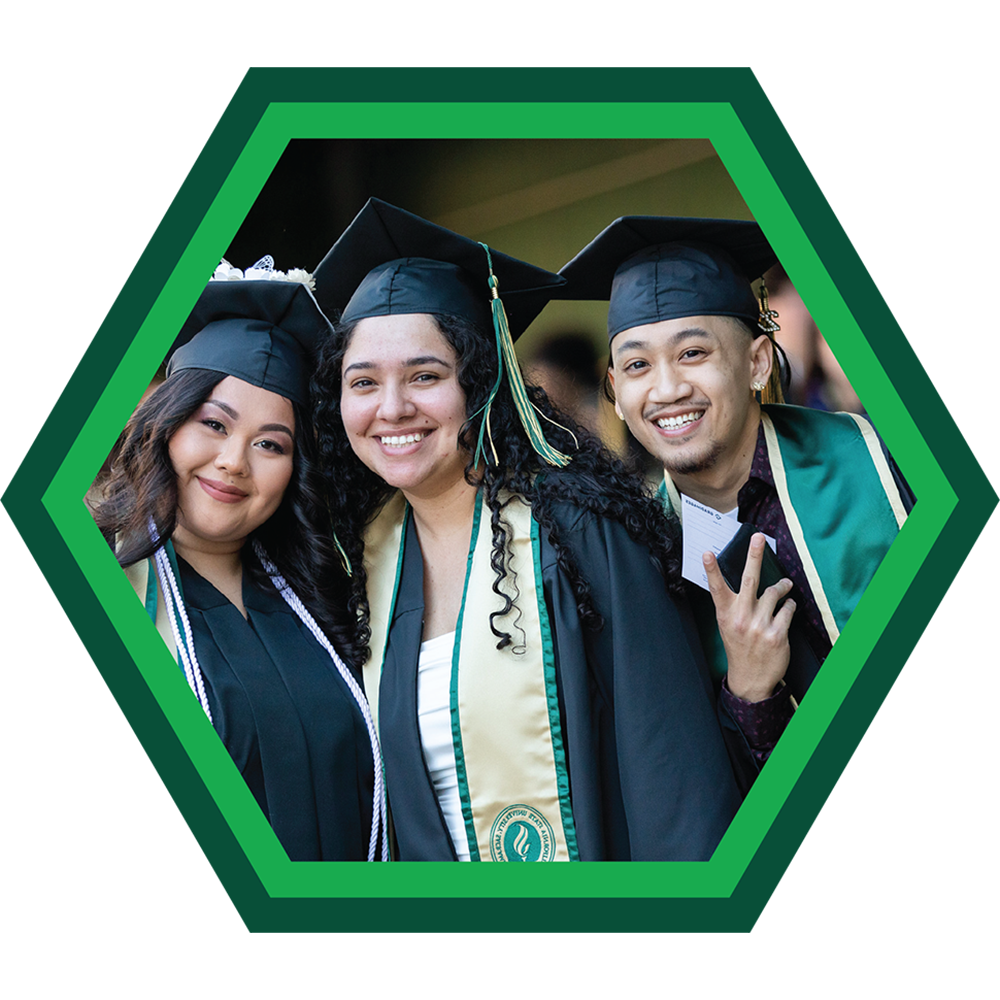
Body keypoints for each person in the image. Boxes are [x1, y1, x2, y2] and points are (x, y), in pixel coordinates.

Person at [310, 199, 740, 861]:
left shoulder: (578, 532)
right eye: (362, 382)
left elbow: (673, 769)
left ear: (480, 382)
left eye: (425, 376)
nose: (392, 408)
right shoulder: (362, 561)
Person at [557, 216, 914, 790]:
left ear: (756, 362)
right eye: (637, 365)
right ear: (616, 396)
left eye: (693, 352)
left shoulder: (880, 461)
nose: (667, 389)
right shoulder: (638, 558)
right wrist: (751, 691)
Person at [91, 259, 387, 861]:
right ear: (164, 425)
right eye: (213, 424)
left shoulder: (328, 593)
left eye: (270, 443)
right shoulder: (107, 578)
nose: (233, 460)